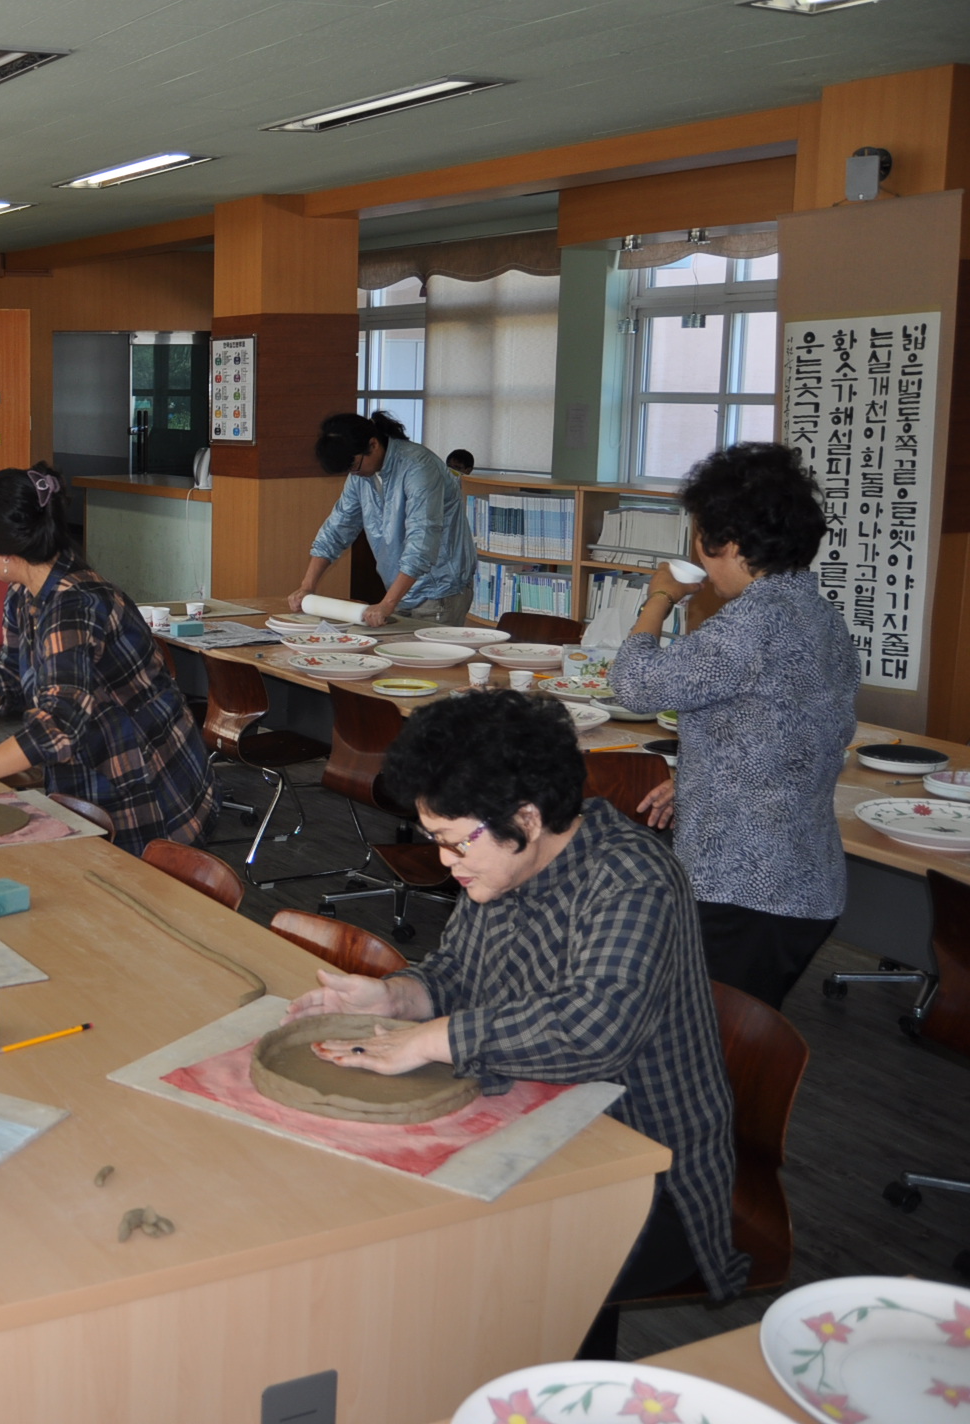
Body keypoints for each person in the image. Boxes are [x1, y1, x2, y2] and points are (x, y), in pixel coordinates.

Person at [284, 690, 745, 1337]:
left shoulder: (632, 880)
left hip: (642, 1168)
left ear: (524, 819)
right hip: (537, 1117)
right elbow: (454, 974)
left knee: (471, 1271)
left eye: (451, 841)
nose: (444, 861)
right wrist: (394, 998)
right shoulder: (498, 862)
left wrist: (431, 1039)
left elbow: (595, 1031)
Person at [609, 443, 857, 1008]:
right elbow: (800, 729)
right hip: (802, 875)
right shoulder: (817, 612)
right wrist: (702, 779)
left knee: (704, 1048)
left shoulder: (753, 620)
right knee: (719, 1038)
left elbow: (635, 684)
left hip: (748, 883)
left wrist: (658, 600)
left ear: (728, 543)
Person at [0, 463, 214, 853]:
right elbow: (7, 676)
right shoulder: (25, 593)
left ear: (5, 552)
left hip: (144, 785)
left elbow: (57, 726)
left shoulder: (73, 605)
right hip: (93, 771)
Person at [289, 410, 476, 626]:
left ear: (373, 444)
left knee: (425, 658)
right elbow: (337, 528)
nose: (353, 473)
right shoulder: (361, 474)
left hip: (438, 592)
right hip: (401, 591)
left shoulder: (418, 467)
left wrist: (387, 603)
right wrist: (307, 587)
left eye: (353, 465)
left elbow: (422, 541)